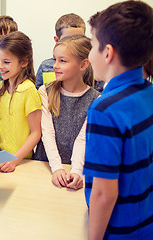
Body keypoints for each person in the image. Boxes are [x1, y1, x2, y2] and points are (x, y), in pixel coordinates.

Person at [83, 1, 153, 239]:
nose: (90, 55)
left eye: (92, 46)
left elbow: (104, 194)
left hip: (118, 231)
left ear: (108, 53)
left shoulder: (104, 110)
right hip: (145, 222)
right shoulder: (149, 92)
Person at [33, 35, 100, 190]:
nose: (55, 65)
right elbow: (47, 133)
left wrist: (76, 171)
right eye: (55, 59)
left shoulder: (96, 99)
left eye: (62, 61)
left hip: (77, 169)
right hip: (46, 165)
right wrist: (57, 168)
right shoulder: (45, 91)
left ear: (83, 65)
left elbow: (82, 139)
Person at [0, 31, 42, 173]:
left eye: (6, 62)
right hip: (0, 161)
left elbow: (36, 133)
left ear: (24, 62)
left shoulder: (29, 90)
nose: (0, 66)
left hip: (22, 162)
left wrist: (14, 160)